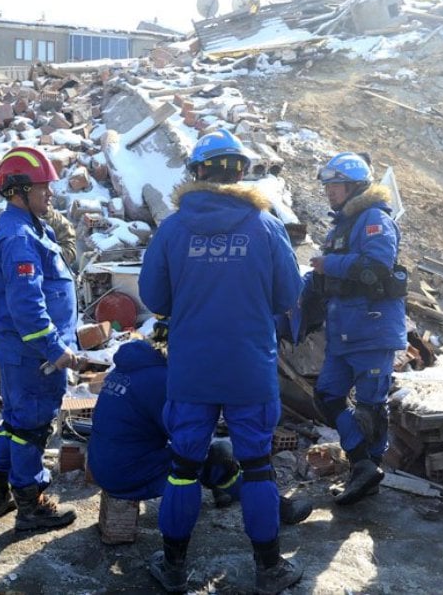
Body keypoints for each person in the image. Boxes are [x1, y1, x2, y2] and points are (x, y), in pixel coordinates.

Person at [138, 129, 304, 594]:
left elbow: (154, 298)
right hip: (250, 366)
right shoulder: (266, 227)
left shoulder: (172, 228)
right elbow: (289, 295)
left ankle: (172, 566)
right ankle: (269, 569)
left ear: (197, 173)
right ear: (241, 173)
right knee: (257, 467)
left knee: (184, 467)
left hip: (192, 368)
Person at [87, 333, 312, 523]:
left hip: (104, 464)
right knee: (218, 455)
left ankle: (221, 486)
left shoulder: (126, 369)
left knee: (204, 452)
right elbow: (186, 436)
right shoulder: (160, 380)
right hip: (127, 474)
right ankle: (276, 509)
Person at [0, 146, 78, 533]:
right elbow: (27, 309)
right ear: (18, 191)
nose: (50, 194)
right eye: (42, 188)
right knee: (31, 428)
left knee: (14, 421)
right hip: (32, 355)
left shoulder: (34, 228)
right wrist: (55, 350)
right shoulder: (19, 238)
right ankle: (30, 504)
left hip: (22, 353)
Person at [307, 152, 408, 506]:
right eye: (328, 186)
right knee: (327, 395)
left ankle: (368, 471)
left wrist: (329, 264)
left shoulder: (373, 220)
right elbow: (328, 275)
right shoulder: (342, 226)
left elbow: (378, 266)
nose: (329, 192)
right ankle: (363, 465)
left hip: (371, 329)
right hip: (344, 332)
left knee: (370, 407)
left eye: (335, 186)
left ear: (354, 186)